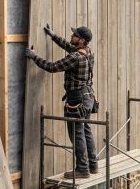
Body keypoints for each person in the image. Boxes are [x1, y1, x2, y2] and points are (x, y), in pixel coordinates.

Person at [26, 25, 97, 179]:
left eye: (75, 35)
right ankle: (93, 165)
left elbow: (52, 67)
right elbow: (69, 46)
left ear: (81, 40)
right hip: (88, 97)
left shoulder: (75, 57)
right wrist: (53, 36)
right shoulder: (88, 52)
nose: (72, 36)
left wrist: (34, 56)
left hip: (77, 99)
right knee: (85, 130)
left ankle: (82, 169)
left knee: (77, 133)